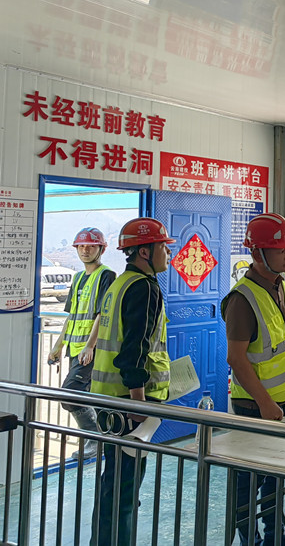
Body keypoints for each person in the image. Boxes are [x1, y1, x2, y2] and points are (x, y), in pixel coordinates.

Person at [223, 213, 285, 546]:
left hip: (282, 402)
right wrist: (265, 403)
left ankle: (276, 536)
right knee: (248, 480)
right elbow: (236, 359)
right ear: (258, 253)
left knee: (276, 475)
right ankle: (250, 539)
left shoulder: (280, 284)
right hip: (257, 406)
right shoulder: (242, 299)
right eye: (281, 250)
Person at [90, 218, 174, 546]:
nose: (167, 252)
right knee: (125, 488)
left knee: (113, 482)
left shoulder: (120, 283)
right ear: (144, 252)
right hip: (129, 403)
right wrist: (139, 402)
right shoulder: (144, 287)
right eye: (162, 246)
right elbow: (134, 348)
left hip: (109, 397)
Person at [47, 227, 116, 460]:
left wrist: (90, 346)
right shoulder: (77, 278)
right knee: (86, 395)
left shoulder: (107, 275)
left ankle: (95, 439)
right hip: (74, 348)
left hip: (91, 350)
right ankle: (100, 439)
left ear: (101, 249)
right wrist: (58, 346)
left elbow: (102, 314)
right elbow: (72, 315)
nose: (85, 250)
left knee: (70, 394)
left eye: (91, 246)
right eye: (81, 246)